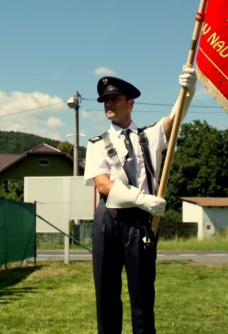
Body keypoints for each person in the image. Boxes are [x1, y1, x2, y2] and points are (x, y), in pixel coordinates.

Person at [84, 68, 196, 334]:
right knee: (106, 292)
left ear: (130, 102)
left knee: (143, 294)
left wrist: (188, 92)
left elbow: (174, 120)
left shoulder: (149, 135)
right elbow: (102, 184)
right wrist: (142, 199)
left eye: (114, 99)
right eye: (105, 101)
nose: (108, 105)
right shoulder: (97, 143)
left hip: (140, 224)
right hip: (108, 220)